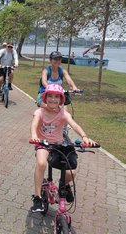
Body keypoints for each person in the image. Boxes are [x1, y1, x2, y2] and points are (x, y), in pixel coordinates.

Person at [29, 84, 96, 213]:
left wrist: (84, 137)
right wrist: (34, 136)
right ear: (45, 97)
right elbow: (34, 125)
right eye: (50, 96)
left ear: (61, 99)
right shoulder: (39, 112)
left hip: (59, 144)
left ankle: (64, 185)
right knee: (41, 163)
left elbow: (74, 125)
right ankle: (37, 197)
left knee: (72, 172)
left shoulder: (63, 113)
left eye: (56, 97)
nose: (53, 99)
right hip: (43, 143)